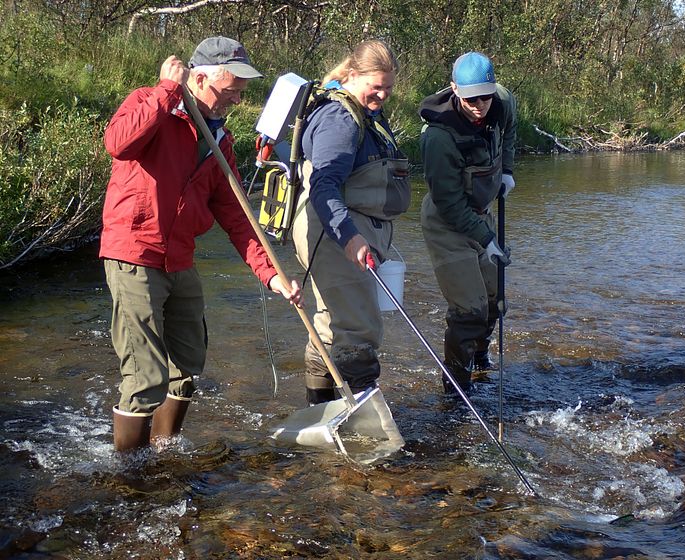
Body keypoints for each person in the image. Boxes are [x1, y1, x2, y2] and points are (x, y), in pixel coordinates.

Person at [100, 36, 303, 452]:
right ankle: (129, 478)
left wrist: (273, 276)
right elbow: (118, 143)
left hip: (179, 260)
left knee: (188, 365)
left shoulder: (220, 143)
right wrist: (165, 91)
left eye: (240, 94)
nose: (235, 101)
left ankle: (163, 452)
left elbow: (239, 219)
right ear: (198, 78)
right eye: (229, 91)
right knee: (144, 378)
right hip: (134, 253)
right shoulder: (150, 101)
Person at [291, 40, 411, 404]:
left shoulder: (365, 111)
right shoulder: (339, 119)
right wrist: (349, 237)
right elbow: (324, 185)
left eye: (389, 88)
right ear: (353, 75)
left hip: (345, 231)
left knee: (332, 323)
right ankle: (366, 427)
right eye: (376, 86)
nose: (383, 95)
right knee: (359, 328)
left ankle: (319, 410)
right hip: (333, 233)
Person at [419, 51, 517, 393]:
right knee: (469, 310)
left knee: (495, 300)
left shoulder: (501, 102)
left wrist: (506, 170)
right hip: (447, 222)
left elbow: (509, 132)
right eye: (472, 98)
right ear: (454, 90)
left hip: (480, 214)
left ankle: (480, 361)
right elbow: (449, 204)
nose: (480, 105)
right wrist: (487, 239)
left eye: (486, 96)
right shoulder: (438, 138)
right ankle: (457, 389)